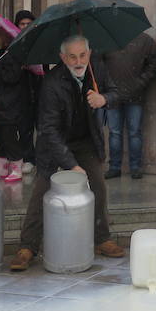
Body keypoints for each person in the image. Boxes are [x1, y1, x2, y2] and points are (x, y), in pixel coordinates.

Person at [10, 35, 126, 270]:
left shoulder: (97, 71)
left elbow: (117, 93)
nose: (78, 60)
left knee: (98, 186)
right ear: (62, 58)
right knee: (42, 191)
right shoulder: (52, 82)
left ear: (89, 53)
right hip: (55, 144)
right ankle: (28, 246)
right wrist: (72, 165)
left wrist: (104, 98)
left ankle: (101, 238)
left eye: (82, 55)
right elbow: (49, 130)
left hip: (86, 141)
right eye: (72, 56)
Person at [103, 31, 156, 180]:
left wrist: (140, 83)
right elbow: (99, 65)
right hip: (112, 94)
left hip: (135, 95)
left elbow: (155, 65)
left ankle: (135, 166)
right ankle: (114, 167)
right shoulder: (106, 40)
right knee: (114, 132)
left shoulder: (145, 41)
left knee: (134, 132)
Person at [0, 27, 30, 183]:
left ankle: (16, 167)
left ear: (2, 38)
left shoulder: (12, 55)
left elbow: (12, 78)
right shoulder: (0, 54)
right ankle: (2, 166)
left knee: (9, 137)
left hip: (9, 105)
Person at [14, 9, 39, 174]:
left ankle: (44, 158)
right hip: (21, 92)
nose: (25, 26)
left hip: (40, 90)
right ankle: (28, 157)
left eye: (28, 24)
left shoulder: (39, 42)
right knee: (24, 128)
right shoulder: (13, 44)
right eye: (22, 24)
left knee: (44, 127)